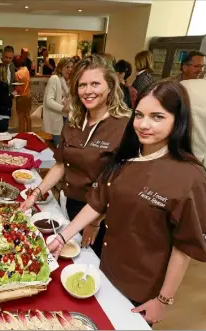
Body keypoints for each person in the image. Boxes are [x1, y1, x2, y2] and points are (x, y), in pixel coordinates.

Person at [48, 80, 206, 324]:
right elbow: (97, 203)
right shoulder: (126, 158)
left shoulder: (191, 178)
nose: (144, 125)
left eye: (157, 117)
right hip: (106, 266)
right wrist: (62, 237)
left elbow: (183, 248)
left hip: (142, 283)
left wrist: (163, 300)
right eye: (139, 115)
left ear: (178, 120)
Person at [21, 54, 131, 257]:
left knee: (94, 264)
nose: (88, 91)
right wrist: (36, 193)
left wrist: (96, 221)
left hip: (104, 215)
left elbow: (122, 187)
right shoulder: (74, 122)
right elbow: (61, 165)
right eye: (82, 85)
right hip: (70, 203)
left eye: (95, 84)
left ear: (110, 86)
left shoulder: (125, 126)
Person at [42, 57, 74, 146]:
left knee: (66, 147)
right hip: (58, 117)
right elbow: (49, 101)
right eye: (67, 67)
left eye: (72, 67)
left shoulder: (69, 81)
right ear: (60, 68)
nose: (70, 69)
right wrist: (64, 108)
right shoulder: (55, 79)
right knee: (59, 147)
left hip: (67, 118)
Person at [13, 55, 32, 133]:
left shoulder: (17, 74)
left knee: (21, 118)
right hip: (28, 96)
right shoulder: (26, 70)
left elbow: (17, 88)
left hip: (21, 97)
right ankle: (30, 133)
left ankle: (21, 135)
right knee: (27, 116)